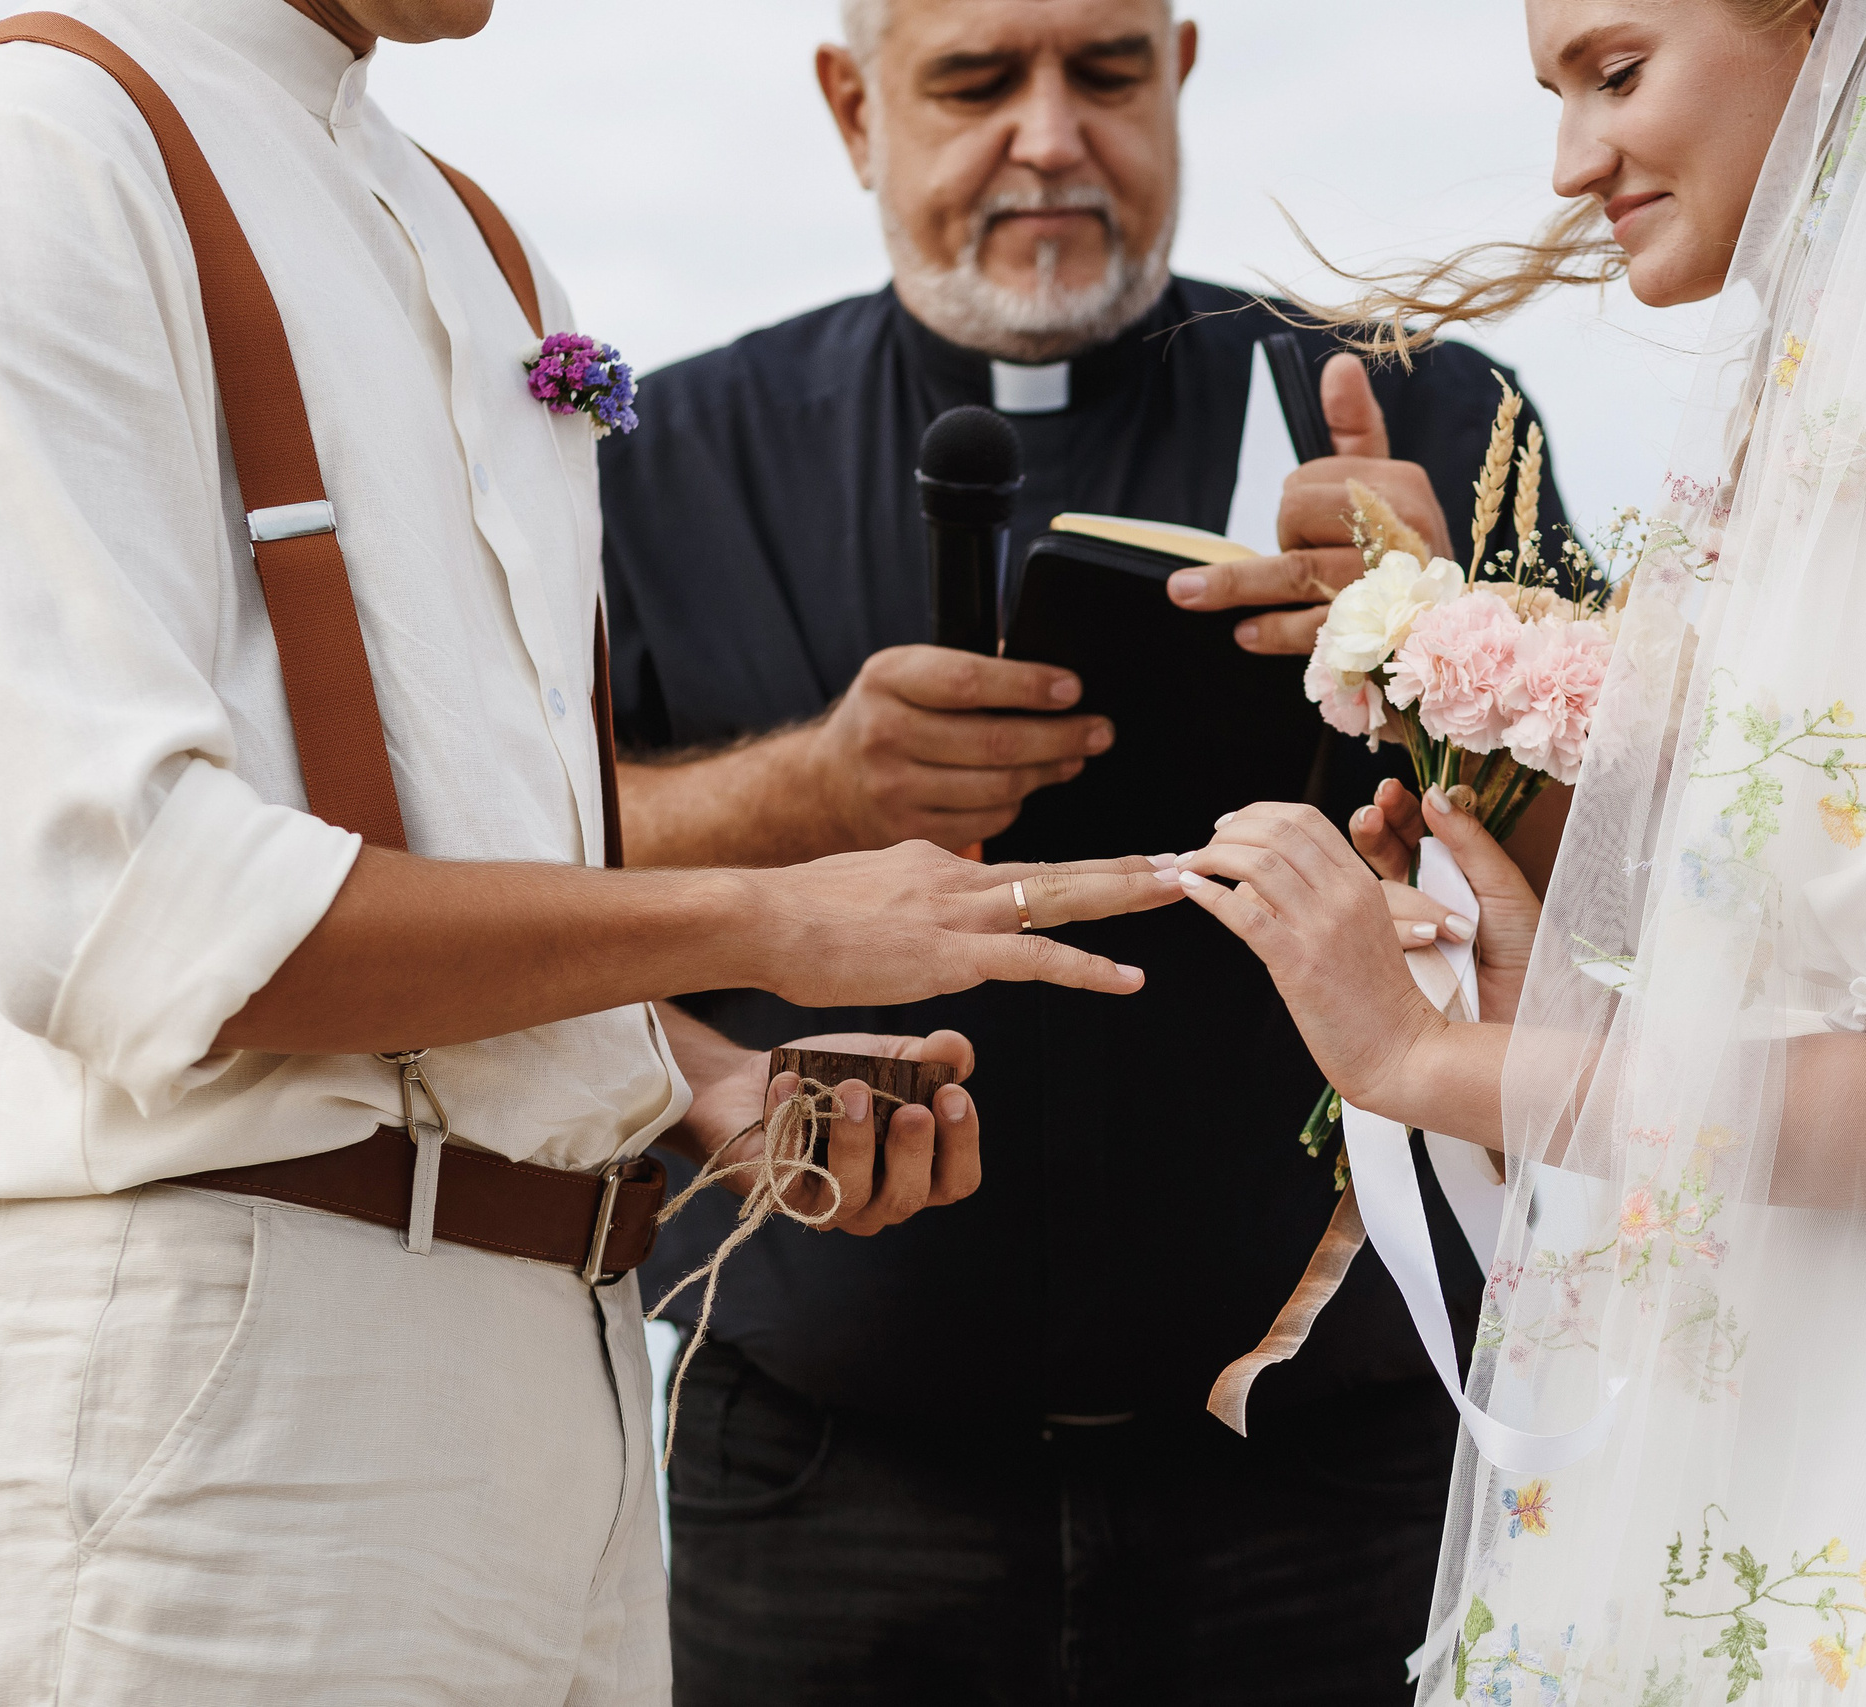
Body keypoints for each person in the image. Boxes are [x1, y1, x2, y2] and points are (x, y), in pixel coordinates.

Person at [0, 0, 1180, 1698]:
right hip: (231, 1402)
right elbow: (127, 912)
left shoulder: (479, 238)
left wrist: (704, 1086)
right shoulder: (31, 149)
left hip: (574, 1397)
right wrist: (770, 914)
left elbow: (491, 847)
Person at [1172, 0, 1866, 1696]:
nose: (1572, 161)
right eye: (1556, 90)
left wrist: (1427, 1058)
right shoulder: (1844, 442)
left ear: (1828, 35)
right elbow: (1780, 1070)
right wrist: (1543, 986)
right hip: (1739, 1457)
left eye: (1618, 71)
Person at [595, 0, 1575, 1699]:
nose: (1049, 135)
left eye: (1105, 73)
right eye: (977, 79)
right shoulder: (660, 453)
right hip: (827, 1472)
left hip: (1332, 1471)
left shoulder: (1429, 416)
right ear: (852, 105)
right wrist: (807, 792)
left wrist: (1451, 648)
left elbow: (1614, 905)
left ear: (1180, 74)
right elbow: (533, 859)